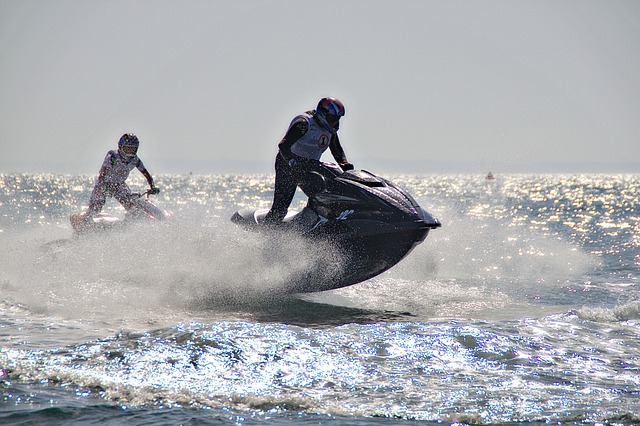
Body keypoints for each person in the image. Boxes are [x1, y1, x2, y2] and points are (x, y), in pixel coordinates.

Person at [264, 97, 354, 225]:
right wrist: (292, 162)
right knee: (280, 208)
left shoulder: (330, 129)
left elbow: (337, 149)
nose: (335, 122)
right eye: (333, 119)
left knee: (324, 199)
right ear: (324, 114)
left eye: (337, 119)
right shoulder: (303, 123)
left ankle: (311, 226)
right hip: (287, 165)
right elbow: (283, 146)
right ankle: (265, 235)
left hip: (309, 167)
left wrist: (344, 163)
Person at [81, 133, 159, 223]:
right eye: (127, 149)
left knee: (130, 204)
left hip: (119, 184)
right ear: (121, 147)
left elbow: (145, 173)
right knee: (96, 207)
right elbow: (103, 173)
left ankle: (130, 224)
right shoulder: (113, 156)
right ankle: (85, 222)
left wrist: (152, 187)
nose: (130, 152)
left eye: (132, 149)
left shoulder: (135, 160)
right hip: (103, 183)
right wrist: (103, 187)